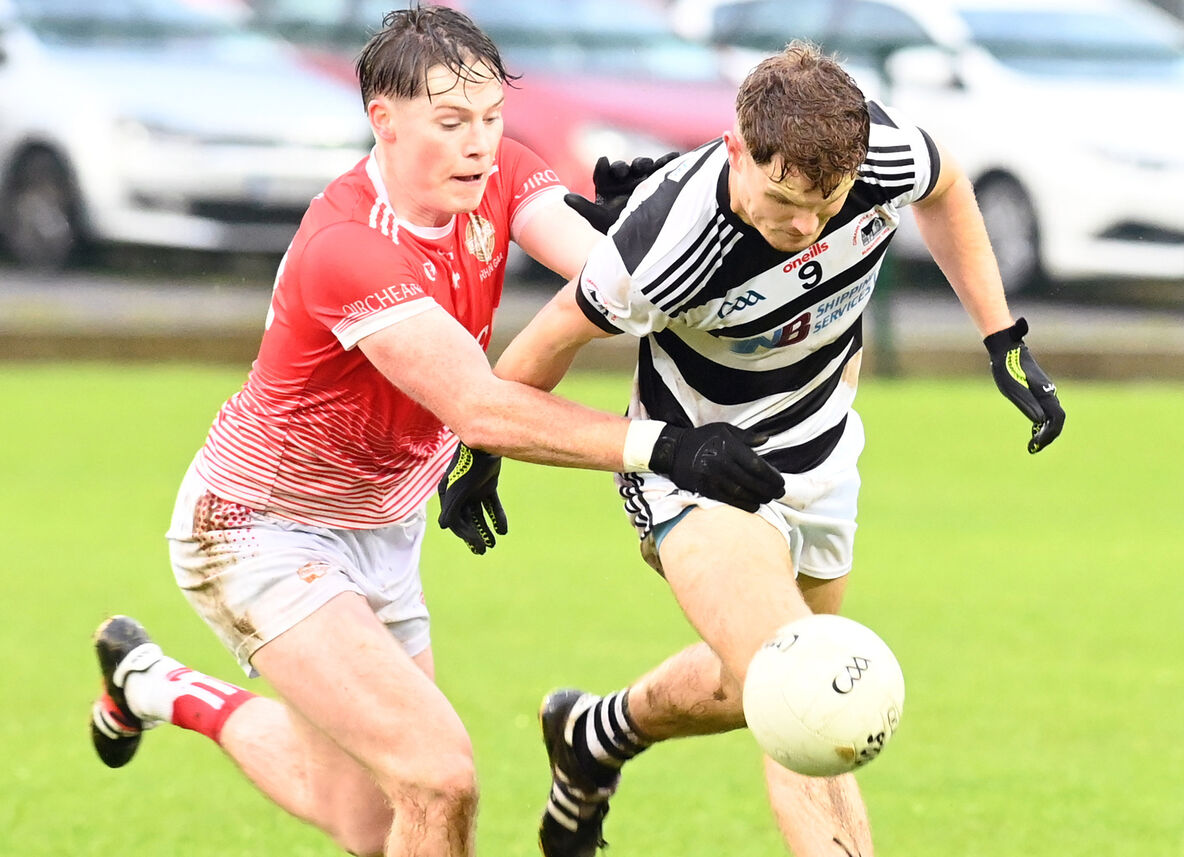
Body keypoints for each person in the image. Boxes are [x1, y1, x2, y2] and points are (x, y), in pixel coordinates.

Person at [85, 7, 786, 857]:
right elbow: (481, 409)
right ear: (382, 120)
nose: (479, 144)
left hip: (384, 527)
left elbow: (611, 278)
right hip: (258, 532)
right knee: (438, 774)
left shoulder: (497, 175)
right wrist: (668, 447)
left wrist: (665, 208)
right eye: (451, 123)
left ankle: (154, 685)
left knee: (367, 819)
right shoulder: (350, 247)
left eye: (491, 119)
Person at [467, 39, 1066, 857]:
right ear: (736, 150)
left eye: (829, 204)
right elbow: (526, 363)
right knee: (806, 693)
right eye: (785, 200)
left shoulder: (876, 152)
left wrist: (1001, 337)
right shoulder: (665, 247)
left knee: (745, 682)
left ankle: (594, 733)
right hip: (695, 478)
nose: (807, 229)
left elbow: (948, 184)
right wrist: (485, 456)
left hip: (823, 454)